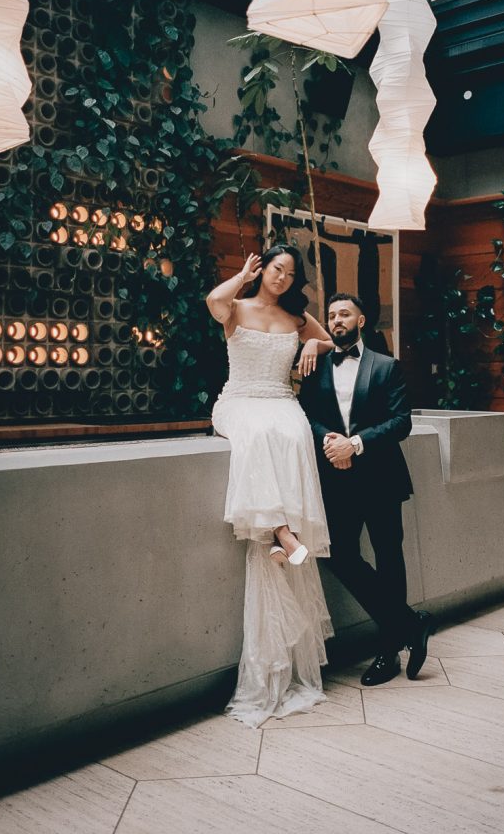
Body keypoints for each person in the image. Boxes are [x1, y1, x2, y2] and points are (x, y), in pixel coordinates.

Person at [206, 245, 334, 727]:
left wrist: (309, 345)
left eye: (290, 273)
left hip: (281, 402)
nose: (282, 278)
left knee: (293, 431)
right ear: (264, 270)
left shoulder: (297, 317)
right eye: (276, 269)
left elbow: (329, 343)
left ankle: (282, 536)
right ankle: (282, 534)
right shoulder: (236, 306)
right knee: (259, 434)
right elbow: (213, 302)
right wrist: (240, 275)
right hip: (239, 401)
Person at [299, 292, 436, 686]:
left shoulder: (386, 366)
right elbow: (306, 416)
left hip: (380, 477)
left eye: (345, 314)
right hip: (336, 479)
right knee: (339, 554)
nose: (337, 320)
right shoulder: (315, 367)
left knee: (390, 557)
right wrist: (329, 440)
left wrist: (354, 445)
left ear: (360, 321)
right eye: (332, 316)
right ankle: (410, 622)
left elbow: (401, 422)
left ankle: (388, 651)